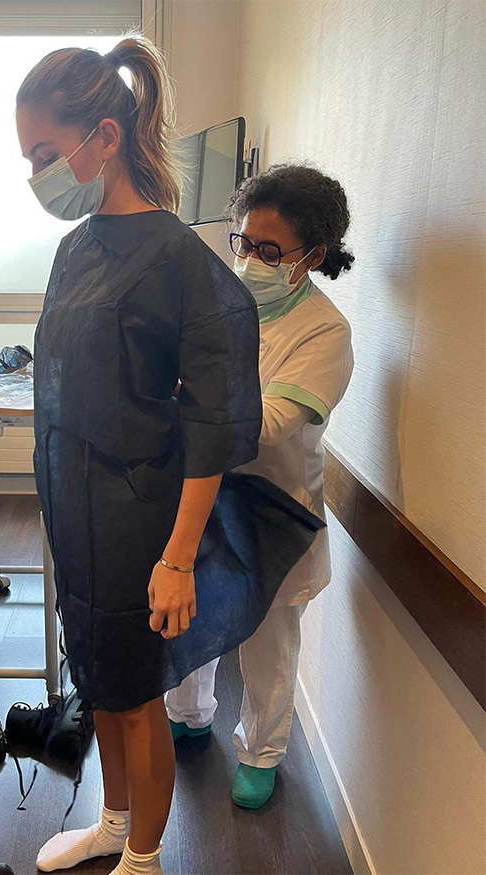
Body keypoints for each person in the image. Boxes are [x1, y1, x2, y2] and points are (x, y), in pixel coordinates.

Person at [14, 40, 321, 875]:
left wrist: (180, 556)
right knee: (100, 681)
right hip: (75, 514)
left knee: (140, 696)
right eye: (29, 159)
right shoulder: (75, 249)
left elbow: (216, 417)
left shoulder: (178, 260)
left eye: (46, 154)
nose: (38, 173)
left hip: (141, 514)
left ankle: (144, 860)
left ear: (104, 137)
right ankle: (114, 823)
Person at [166, 163, 355, 811]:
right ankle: (188, 715)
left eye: (268, 251)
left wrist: (183, 402)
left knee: (268, 645)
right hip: (204, 494)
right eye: (242, 242)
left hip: (274, 510)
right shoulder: (218, 301)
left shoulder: (325, 332)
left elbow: (271, 424)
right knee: (189, 615)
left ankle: (260, 752)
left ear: (313, 257)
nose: (248, 258)